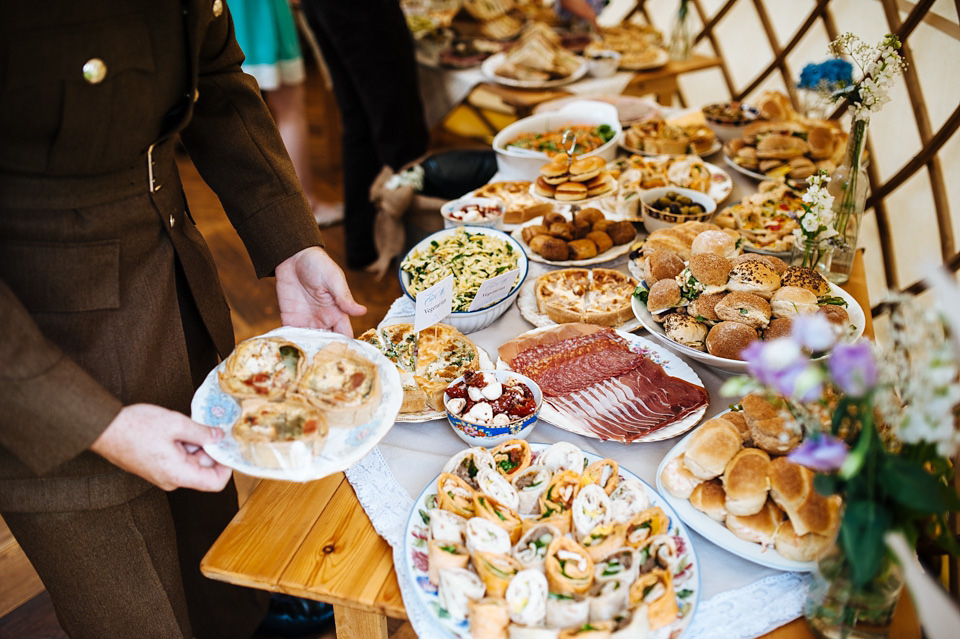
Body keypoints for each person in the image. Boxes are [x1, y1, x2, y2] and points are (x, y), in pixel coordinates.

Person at [0, 2, 365, 638]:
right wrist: (91, 421)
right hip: (43, 345)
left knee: (210, 534)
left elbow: (217, 78)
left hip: (175, 277)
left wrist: (290, 241)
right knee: (134, 604)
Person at [300, 0, 430, 269]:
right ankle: (417, 252)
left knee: (361, 121)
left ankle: (367, 244)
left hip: (327, 7)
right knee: (400, 129)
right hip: (361, 9)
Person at [231, 0, 344, 226]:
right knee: (290, 106)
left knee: (232, 113)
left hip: (223, 13)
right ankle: (307, 206)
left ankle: (254, 212)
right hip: (260, 11)